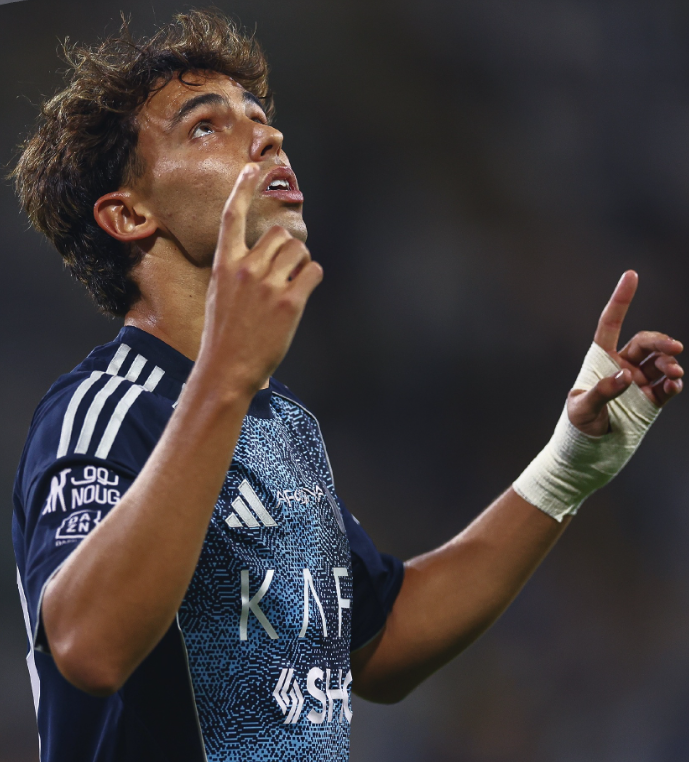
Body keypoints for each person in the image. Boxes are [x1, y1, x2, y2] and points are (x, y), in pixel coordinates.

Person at [10, 10, 684, 762]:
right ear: (129, 213)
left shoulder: (282, 425)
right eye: (205, 127)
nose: (266, 136)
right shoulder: (105, 410)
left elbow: (381, 641)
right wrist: (225, 377)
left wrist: (568, 466)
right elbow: (88, 647)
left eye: (259, 117)